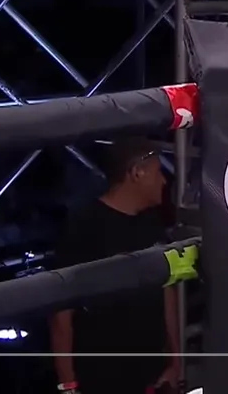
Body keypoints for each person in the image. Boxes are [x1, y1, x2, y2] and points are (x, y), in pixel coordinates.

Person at [49, 139, 181, 394]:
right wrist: (67, 384)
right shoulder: (84, 226)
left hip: (153, 375)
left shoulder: (151, 222)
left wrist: (175, 360)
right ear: (137, 173)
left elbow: (166, 290)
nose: (164, 181)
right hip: (103, 378)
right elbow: (61, 313)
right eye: (158, 172)